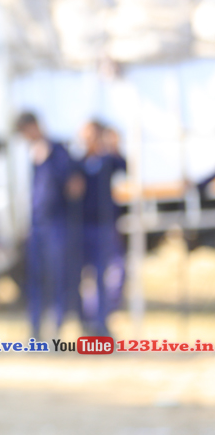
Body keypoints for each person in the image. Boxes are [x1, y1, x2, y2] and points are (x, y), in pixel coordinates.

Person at [15, 111, 84, 339]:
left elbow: (74, 185)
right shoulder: (32, 154)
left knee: (58, 276)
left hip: (57, 223)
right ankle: (35, 329)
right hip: (37, 224)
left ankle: (57, 329)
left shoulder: (59, 151)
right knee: (35, 278)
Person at [79, 120, 127, 335]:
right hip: (82, 226)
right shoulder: (79, 162)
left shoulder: (108, 160)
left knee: (108, 273)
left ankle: (101, 319)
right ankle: (87, 319)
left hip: (103, 225)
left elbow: (125, 167)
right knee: (84, 276)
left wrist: (114, 146)